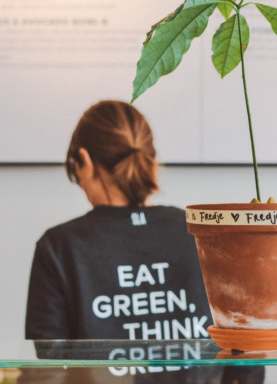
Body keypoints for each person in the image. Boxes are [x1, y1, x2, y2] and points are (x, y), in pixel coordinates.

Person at [24, 100, 263, 383]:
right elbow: (247, 363)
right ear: (150, 157)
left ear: (85, 161)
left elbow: (48, 371)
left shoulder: (59, 247)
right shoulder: (206, 233)